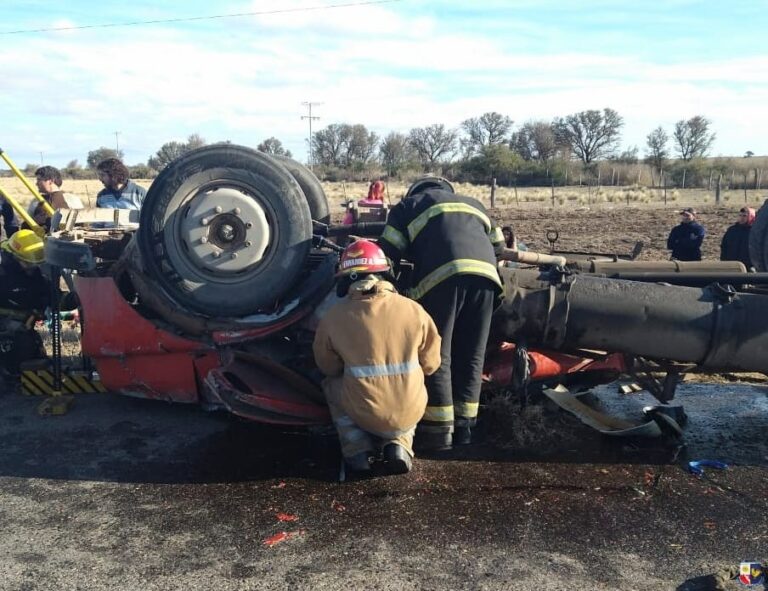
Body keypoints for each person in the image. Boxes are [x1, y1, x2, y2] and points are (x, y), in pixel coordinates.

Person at [378, 176, 505, 451]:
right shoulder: (475, 204)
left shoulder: (407, 206)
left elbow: (387, 253)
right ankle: (466, 429)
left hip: (442, 280)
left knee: (439, 354)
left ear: (415, 190)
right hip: (487, 281)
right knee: (472, 354)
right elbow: (499, 248)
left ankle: (439, 433)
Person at [312, 239, 441, 476]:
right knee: (414, 381)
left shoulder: (333, 318)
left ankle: (357, 450)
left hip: (363, 413)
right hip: (409, 411)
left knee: (332, 385)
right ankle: (401, 445)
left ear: (346, 279)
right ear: (384, 274)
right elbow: (432, 365)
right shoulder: (414, 310)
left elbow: (327, 367)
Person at [0, 229, 49, 376]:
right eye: (27, 264)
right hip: (6, 327)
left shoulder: (34, 274)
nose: (31, 268)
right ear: (14, 256)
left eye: (34, 265)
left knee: (29, 353)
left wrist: (68, 300)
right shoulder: (3, 274)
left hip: (22, 326)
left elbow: (47, 293)